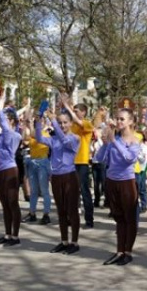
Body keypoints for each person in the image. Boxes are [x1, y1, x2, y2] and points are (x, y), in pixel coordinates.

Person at [35, 111, 81, 254]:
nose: (62, 125)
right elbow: (39, 138)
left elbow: (65, 141)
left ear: (71, 123)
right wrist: (38, 122)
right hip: (56, 177)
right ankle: (64, 241)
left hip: (69, 176)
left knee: (71, 211)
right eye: (60, 123)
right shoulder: (54, 139)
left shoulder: (74, 138)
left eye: (65, 122)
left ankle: (74, 242)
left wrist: (53, 120)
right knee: (61, 211)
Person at [100, 109, 140, 266]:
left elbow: (129, 158)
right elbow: (100, 158)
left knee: (129, 218)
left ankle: (128, 251)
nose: (119, 122)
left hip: (127, 182)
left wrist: (115, 142)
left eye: (122, 119)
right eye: (117, 119)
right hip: (111, 181)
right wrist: (105, 145)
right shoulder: (113, 139)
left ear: (130, 121)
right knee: (118, 218)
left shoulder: (134, 141)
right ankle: (119, 250)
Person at [0, 99, 23, 246]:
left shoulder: (15, 135)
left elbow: (5, 127)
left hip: (10, 171)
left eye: (7, 119)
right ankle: (7, 234)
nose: (3, 121)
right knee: (4, 204)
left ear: (13, 121)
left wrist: (0, 110)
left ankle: (15, 236)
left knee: (13, 203)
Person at [61, 95, 95, 229]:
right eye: (73, 111)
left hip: (82, 163)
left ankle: (89, 220)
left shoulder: (87, 123)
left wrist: (67, 106)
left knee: (84, 191)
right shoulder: (72, 126)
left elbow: (77, 121)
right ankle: (71, 218)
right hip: (70, 163)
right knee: (70, 192)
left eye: (76, 111)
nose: (73, 113)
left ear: (83, 112)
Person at [22, 109, 52, 225]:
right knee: (33, 190)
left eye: (41, 120)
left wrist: (29, 123)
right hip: (32, 162)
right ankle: (32, 213)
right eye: (38, 120)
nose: (39, 122)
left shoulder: (46, 133)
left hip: (43, 163)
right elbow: (24, 138)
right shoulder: (34, 132)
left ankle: (46, 214)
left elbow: (35, 134)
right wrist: (25, 124)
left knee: (44, 190)